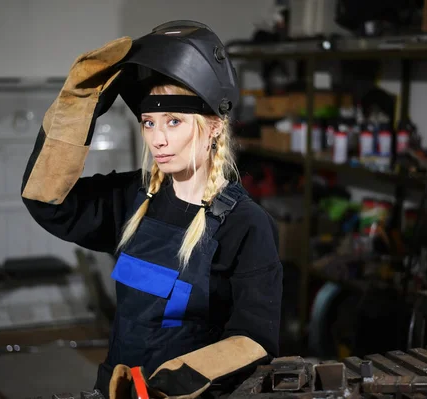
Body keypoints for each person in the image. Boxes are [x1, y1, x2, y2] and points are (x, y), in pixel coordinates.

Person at [20, 20, 283, 399]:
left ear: (213, 128)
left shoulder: (245, 225)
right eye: (149, 123)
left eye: (173, 122)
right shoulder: (133, 198)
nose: (158, 140)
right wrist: (77, 108)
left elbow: (253, 338)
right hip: (116, 389)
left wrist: (171, 384)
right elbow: (47, 202)